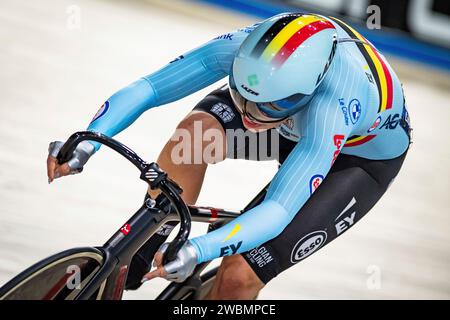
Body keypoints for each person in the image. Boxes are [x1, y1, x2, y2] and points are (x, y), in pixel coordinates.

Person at [47, 13, 411, 299]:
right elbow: (151, 87)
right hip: (286, 124)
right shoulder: (245, 47)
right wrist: (88, 140)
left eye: (269, 105)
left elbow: (280, 210)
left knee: (239, 274)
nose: (251, 114)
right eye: (242, 95)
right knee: (193, 136)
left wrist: (201, 249)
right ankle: (153, 240)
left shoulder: (332, 107)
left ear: (306, 92)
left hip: (353, 158)